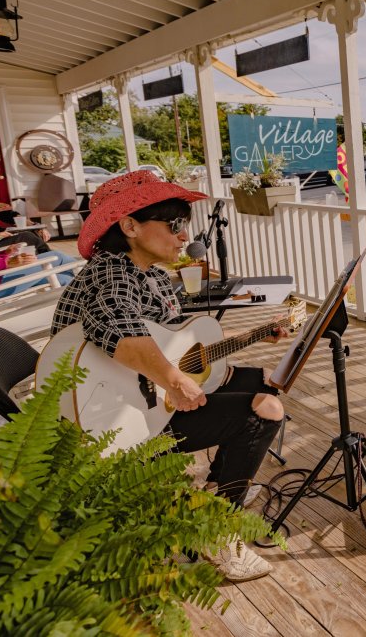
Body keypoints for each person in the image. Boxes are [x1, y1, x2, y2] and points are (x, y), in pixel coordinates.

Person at [49, 170, 286, 582]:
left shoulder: (153, 274)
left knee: (259, 382)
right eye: (174, 225)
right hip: (112, 416)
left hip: (142, 397)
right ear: (129, 226)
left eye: (185, 226)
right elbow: (118, 331)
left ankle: (220, 489)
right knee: (263, 410)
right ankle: (219, 530)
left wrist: (257, 335)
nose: (183, 237)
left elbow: (175, 341)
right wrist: (174, 380)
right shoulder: (111, 273)